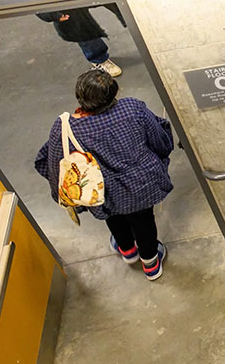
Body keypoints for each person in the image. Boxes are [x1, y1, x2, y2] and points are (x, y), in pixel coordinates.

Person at [34, 70, 174, 280]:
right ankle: (151, 263)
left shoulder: (64, 128)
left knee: (113, 217)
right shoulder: (132, 108)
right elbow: (158, 139)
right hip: (140, 186)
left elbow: (53, 163)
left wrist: (62, 195)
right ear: (113, 93)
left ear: (80, 97)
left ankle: (127, 250)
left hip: (101, 191)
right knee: (144, 221)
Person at [36, 5, 126, 76]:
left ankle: (135, 18)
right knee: (83, 31)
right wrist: (53, 15)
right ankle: (99, 59)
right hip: (65, 5)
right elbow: (37, 2)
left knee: (121, 1)